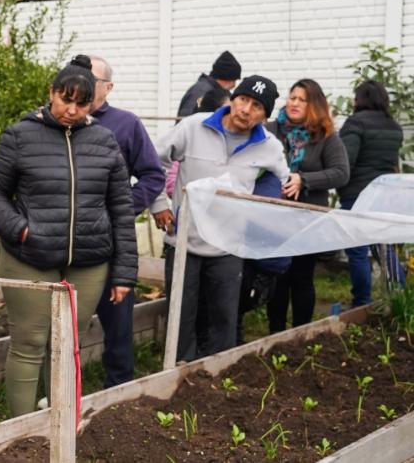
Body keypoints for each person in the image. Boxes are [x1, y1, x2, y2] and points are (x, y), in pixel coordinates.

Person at [0, 55, 137, 416]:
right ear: (51, 93)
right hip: (29, 256)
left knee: (67, 345)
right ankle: (22, 433)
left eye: (82, 103)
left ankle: (61, 424)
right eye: (65, 99)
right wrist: (19, 230)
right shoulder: (21, 135)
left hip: (89, 261)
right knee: (30, 342)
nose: (72, 110)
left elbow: (121, 208)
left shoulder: (104, 141)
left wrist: (125, 272)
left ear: (92, 102)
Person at [151, 75, 289, 361]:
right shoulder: (193, 127)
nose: (246, 110)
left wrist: (297, 180)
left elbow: (283, 182)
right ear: (232, 99)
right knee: (180, 314)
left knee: (223, 317)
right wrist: (158, 203)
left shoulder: (270, 146)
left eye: (256, 106)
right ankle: (176, 372)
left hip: (228, 246)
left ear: (265, 115)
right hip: (183, 240)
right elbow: (153, 162)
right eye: (242, 100)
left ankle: (217, 377)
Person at [87, 55, 164, 387]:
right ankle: (58, 392)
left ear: (109, 87)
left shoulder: (125, 124)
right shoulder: (55, 120)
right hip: (65, 241)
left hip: (112, 240)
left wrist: (121, 207)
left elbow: (152, 174)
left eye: (92, 80)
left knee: (117, 320)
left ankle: (117, 391)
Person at [265, 79, 349, 331]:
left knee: (301, 277)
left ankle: (301, 333)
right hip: (272, 216)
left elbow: (341, 173)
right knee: (277, 277)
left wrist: (305, 179)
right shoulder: (270, 131)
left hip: (306, 218)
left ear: (314, 105)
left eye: (302, 99)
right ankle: (274, 334)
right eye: (292, 97)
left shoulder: (324, 137)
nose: (294, 103)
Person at [338, 80, 405, 306]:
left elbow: (346, 161)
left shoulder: (356, 123)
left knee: (357, 250)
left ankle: (362, 301)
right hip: (385, 196)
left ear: (360, 100)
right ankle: (399, 295)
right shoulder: (394, 127)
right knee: (384, 247)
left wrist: (340, 185)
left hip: (357, 195)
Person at [177, 51, 241, 118]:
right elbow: (187, 118)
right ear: (228, 78)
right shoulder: (201, 91)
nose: (234, 85)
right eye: (234, 80)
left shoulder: (210, 90)